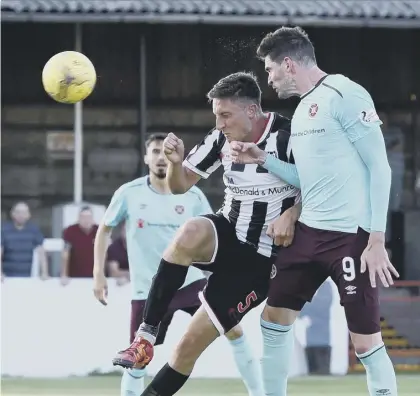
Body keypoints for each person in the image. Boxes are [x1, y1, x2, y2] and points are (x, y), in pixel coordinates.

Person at [229, 26, 399, 396]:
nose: (269, 79)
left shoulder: (347, 94)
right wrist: (262, 158)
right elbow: (305, 178)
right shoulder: (303, 109)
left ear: (289, 64)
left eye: (271, 70)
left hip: (350, 239)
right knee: (273, 320)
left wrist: (376, 238)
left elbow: (380, 167)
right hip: (308, 235)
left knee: (365, 341)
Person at [112, 72, 301, 396]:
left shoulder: (290, 136)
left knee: (186, 348)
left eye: (225, 115)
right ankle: (145, 338)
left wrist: (293, 212)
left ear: (251, 111)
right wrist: (174, 163)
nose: (221, 123)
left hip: (260, 260)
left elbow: (325, 185)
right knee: (191, 231)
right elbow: (179, 185)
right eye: (217, 116)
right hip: (227, 233)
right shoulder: (220, 138)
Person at [93, 133, 266, 396]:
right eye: (154, 152)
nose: (160, 157)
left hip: (191, 283)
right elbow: (104, 230)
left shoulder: (193, 195)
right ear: (145, 157)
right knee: (137, 357)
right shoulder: (128, 193)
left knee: (234, 331)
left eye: (164, 152)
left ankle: (260, 393)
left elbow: (215, 234)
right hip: (147, 289)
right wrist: (98, 274)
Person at [1, 201, 49, 280]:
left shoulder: (34, 230)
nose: (21, 215)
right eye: (18, 212)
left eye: (24, 212)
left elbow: (41, 252)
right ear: (12, 214)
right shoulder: (3, 230)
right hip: (6, 278)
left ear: (28, 215)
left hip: (26, 277)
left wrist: (45, 273)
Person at [61, 206, 98, 285]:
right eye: (83, 217)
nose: (86, 220)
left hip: (95, 276)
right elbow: (65, 254)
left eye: (88, 217)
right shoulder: (70, 231)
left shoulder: (99, 231)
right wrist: (64, 274)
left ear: (92, 219)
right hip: (74, 276)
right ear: (78, 218)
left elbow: (106, 254)